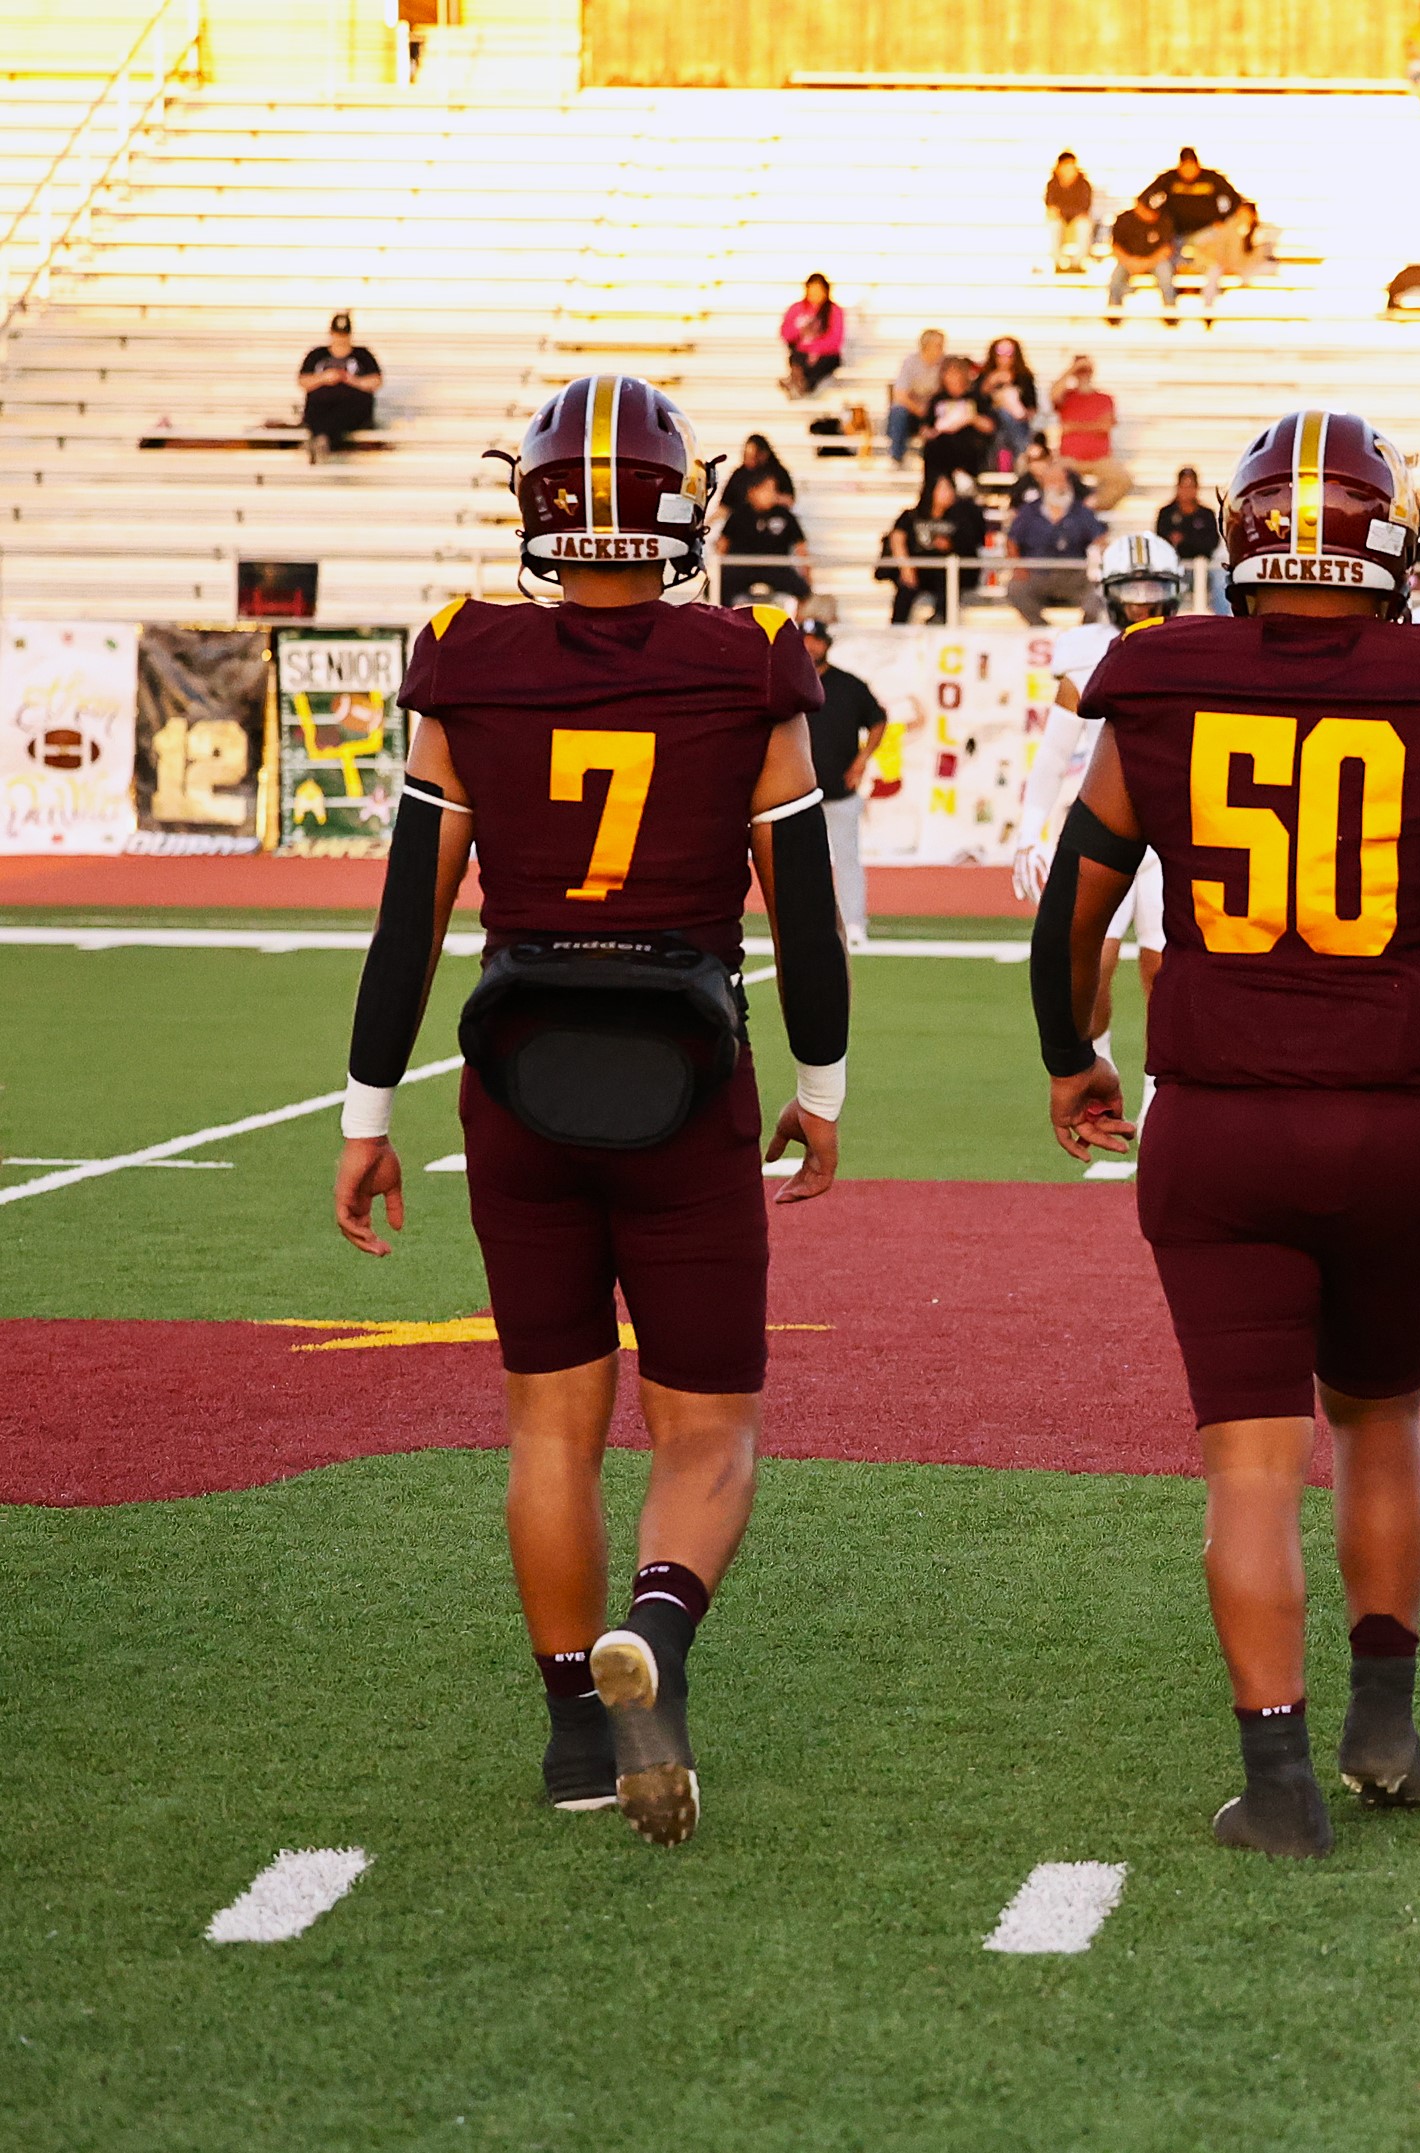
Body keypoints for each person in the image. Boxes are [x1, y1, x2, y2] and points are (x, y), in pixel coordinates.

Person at [1033, 407, 1420, 1858]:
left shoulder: (1162, 679)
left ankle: (1276, 1782)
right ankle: (1383, 1717)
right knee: (1383, 1415)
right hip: (1397, 1122)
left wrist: (1071, 1057)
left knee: (1252, 1460)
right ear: (1388, 540)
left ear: (1244, 536)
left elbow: (1072, 905)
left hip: (1217, 1123)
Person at [333, 376, 849, 1846]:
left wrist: (370, 1110)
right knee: (708, 1433)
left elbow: (408, 920)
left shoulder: (465, 652)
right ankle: (659, 1640)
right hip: (686, 1078)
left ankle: (573, 1730)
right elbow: (801, 914)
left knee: (549, 1428)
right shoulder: (749, 654)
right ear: (683, 505)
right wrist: (819, 1090)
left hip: (519, 1081)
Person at [1013, 534, 1190, 1028]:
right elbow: (1054, 755)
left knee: (1167, 972)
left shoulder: (1198, 647)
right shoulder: (1085, 652)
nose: (1143, 602)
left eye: (1154, 588)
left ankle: (1160, 1098)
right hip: (1102, 825)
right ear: (1108, 591)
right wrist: (1030, 831)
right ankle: (1097, 1079)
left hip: (1173, 831)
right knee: (1091, 965)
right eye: (1131, 589)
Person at [803, 619, 890, 947]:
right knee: (804, 864)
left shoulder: (848, 685)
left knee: (847, 859)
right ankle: (811, 924)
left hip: (840, 791)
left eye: (816, 640)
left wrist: (861, 761)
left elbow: (878, 720)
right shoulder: (791, 683)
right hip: (801, 793)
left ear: (827, 644)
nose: (810, 647)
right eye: (805, 640)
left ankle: (854, 922)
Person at [1007, 443, 1109, 625]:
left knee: (1100, 593)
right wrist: (1018, 567)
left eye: (1062, 481)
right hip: (1038, 573)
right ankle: (1042, 629)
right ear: (1044, 485)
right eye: (1054, 482)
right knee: (1015, 590)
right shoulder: (1030, 511)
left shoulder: (1080, 512)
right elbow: (1012, 540)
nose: (1059, 487)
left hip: (1074, 575)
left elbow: (1100, 537)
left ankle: (1083, 632)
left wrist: (1097, 555)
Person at [880, 469, 987, 625]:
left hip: (945, 572)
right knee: (906, 586)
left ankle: (940, 618)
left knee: (948, 578)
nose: (948, 493)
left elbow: (970, 543)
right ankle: (897, 626)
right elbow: (897, 538)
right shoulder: (912, 516)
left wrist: (950, 544)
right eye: (943, 488)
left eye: (950, 488)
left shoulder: (960, 517)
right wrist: (906, 566)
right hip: (916, 569)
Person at [1138, 148, 1242, 278]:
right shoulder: (1169, 178)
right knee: (1165, 252)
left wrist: (1222, 219)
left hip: (1204, 231)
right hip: (1175, 233)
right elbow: (1145, 199)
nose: (1188, 172)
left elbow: (1235, 200)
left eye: (1191, 167)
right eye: (1185, 168)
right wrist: (1154, 217)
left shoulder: (1212, 178)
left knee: (1213, 247)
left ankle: (1208, 270)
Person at [716, 466, 810, 608]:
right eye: (766, 489)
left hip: (776, 568)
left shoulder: (784, 515)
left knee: (803, 590)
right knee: (719, 588)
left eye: (773, 489)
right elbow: (723, 545)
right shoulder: (738, 515)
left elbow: (801, 546)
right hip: (742, 567)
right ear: (753, 491)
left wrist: (807, 574)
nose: (771, 494)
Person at [296, 311, 382, 462]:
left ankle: (322, 438)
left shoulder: (362, 355)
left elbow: (376, 381)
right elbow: (303, 381)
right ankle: (324, 439)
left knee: (345, 411)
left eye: (344, 335)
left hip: (351, 407)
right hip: (323, 405)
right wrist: (324, 378)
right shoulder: (317, 355)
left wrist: (351, 380)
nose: (341, 340)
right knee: (319, 408)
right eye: (338, 335)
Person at [1048, 355, 1129, 505]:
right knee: (1051, 478)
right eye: (1080, 370)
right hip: (1070, 459)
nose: (1083, 373)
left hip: (1100, 458)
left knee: (1122, 479)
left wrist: (1073, 427)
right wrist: (1072, 369)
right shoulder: (1067, 397)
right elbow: (1053, 394)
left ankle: (1090, 507)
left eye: (1085, 369)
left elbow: (1104, 426)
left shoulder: (1105, 398)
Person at [917, 354, 994, 491]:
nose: (952, 377)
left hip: (969, 444)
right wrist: (932, 432)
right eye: (948, 372)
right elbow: (926, 426)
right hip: (941, 445)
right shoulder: (937, 399)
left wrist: (971, 418)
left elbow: (990, 426)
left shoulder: (975, 398)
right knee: (933, 448)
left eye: (956, 372)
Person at [1153, 464, 1222, 613]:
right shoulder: (1166, 513)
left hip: (1203, 568)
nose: (1186, 491)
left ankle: (1226, 618)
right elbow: (1161, 543)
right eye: (1183, 486)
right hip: (1175, 569)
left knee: (1221, 577)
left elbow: (1211, 542)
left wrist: (1185, 540)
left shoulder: (1206, 514)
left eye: (1190, 486)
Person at [1105, 199, 1177, 321]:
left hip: (1155, 261)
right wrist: (1130, 262)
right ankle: (1113, 315)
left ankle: (1170, 314)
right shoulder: (1124, 219)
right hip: (1128, 260)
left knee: (1165, 274)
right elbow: (1115, 246)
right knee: (1115, 278)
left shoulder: (1164, 219)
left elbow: (1167, 249)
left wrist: (1146, 263)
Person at [777, 273, 844, 396]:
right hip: (802, 353)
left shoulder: (834, 311)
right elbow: (785, 334)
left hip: (825, 355)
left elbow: (835, 341)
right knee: (797, 357)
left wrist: (815, 349)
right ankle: (798, 380)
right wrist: (799, 329)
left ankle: (802, 383)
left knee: (823, 363)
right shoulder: (797, 309)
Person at [885, 329, 946, 465]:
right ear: (927, 346)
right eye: (938, 345)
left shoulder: (944, 364)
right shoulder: (910, 363)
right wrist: (920, 410)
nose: (941, 349)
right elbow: (900, 395)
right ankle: (896, 455)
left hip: (934, 410)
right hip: (914, 410)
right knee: (898, 411)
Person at [979, 335, 1040, 462]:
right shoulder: (985, 376)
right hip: (993, 426)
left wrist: (1018, 412)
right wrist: (991, 382)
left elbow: (1032, 406)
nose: (1004, 358)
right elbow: (979, 400)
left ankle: (1021, 456)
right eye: (1000, 353)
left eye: (1009, 353)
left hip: (1019, 425)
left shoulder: (1024, 377)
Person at [1045, 153, 1097, 272]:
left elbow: (1084, 207)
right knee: (1053, 224)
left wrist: (1062, 211)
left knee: (1084, 224)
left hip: (1076, 221)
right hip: (1061, 221)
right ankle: (1057, 263)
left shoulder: (1084, 184)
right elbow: (1050, 205)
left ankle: (1077, 264)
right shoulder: (1052, 185)